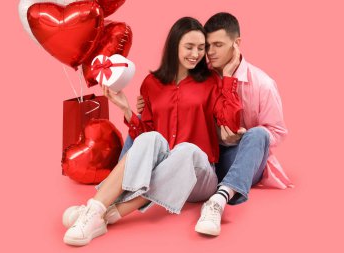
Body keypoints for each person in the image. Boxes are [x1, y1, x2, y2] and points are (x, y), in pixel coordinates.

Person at [62, 16, 242, 246]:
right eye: (189, 47)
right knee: (151, 138)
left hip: (200, 176)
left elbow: (232, 122)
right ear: (174, 46)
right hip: (164, 168)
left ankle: (112, 211)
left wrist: (228, 76)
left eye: (201, 48)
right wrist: (125, 108)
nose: (196, 54)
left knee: (187, 150)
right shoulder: (151, 83)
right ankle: (94, 212)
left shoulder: (212, 82)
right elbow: (143, 135)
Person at [136, 12, 293, 236]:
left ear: (236, 44)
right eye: (207, 45)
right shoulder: (201, 75)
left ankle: (219, 200)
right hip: (206, 158)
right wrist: (149, 102)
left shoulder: (263, 84)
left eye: (217, 45)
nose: (209, 52)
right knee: (143, 123)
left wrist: (242, 136)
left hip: (240, 158)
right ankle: (115, 187)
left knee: (258, 135)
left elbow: (276, 132)